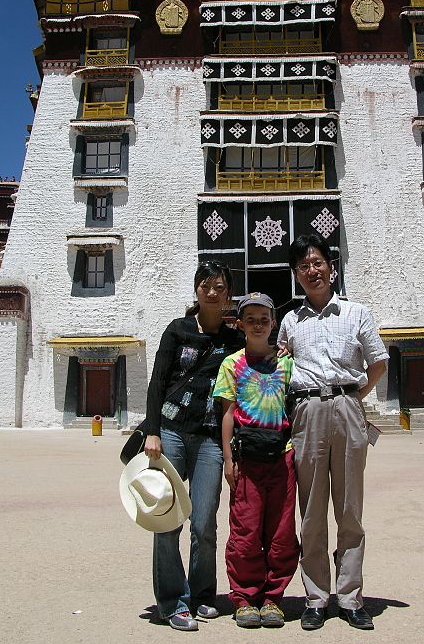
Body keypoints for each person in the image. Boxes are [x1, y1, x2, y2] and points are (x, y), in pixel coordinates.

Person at [278, 234, 389, 632]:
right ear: (296, 275)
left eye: (317, 262)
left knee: (349, 508)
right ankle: (316, 596)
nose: (312, 271)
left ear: (331, 267)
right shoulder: (290, 321)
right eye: (303, 266)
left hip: (347, 407)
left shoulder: (357, 312)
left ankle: (350, 595)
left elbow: (377, 361)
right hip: (306, 411)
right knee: (311, 509)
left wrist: (354, 396)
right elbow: (280, 366)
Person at [144, 261, 241, 631]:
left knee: (203, 522)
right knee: (167, 518)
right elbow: (157, 383)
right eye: (206, 285)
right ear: (196, 290)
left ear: (228, 293)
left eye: (219, 286)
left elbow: (249, 375)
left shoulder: (234, 340)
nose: (212, 292)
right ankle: (172, 601)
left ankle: (202, 595)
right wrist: (152, 430)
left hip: (210, 438)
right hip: (170, 432)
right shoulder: (177, 330)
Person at [213, 292, 299, 629]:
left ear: (273, 323)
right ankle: (245, 597)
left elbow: (297, 407)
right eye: (251, 320)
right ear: (241, 324)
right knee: (245, 531)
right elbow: (228, 414)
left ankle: (273, 598)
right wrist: (226, 458)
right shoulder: (232, 365)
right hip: (246, 459)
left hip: (283, 456)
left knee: (281, 531)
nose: (258, 325)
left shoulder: (287, 363)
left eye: (264, 319)